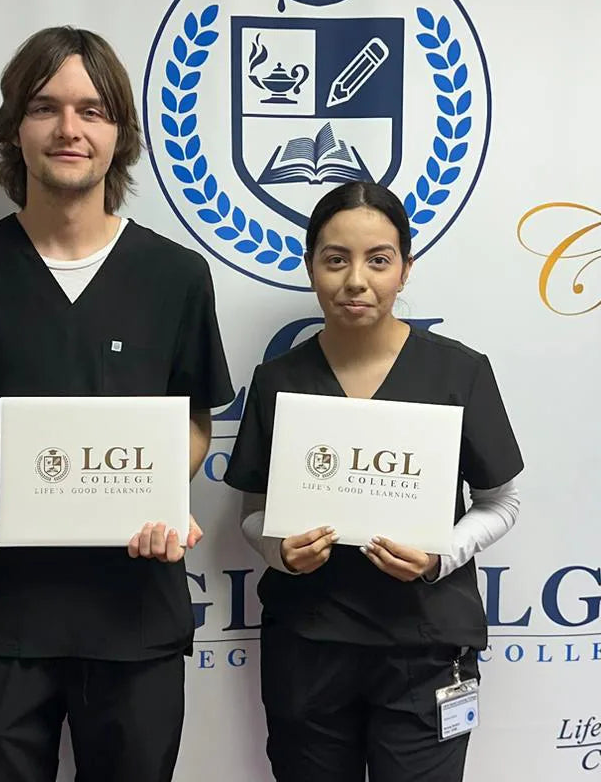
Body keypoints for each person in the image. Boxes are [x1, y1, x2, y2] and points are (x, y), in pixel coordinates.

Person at [0, 25, 233, 782]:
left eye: (91, 109)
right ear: (14, 129)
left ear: (120, 133)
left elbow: (193, 424)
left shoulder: (175, 276)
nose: (69, 128)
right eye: (46, 107)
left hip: (134, 619)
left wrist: (158, 491)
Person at [225, 180, 525, 781]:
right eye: (335, 259)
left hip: (427, 651)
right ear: (311, 266)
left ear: (405, 270)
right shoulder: (277, 380)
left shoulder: (459, 372)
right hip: (308, 649)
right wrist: (278, 553)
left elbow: (501, 502)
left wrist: (442, 553)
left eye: (378, 260)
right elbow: (252, 513)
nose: (355, 280)